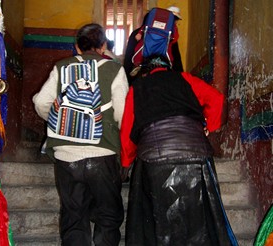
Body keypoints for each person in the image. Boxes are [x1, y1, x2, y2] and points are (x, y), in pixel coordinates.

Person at [120, 55, 238, 245]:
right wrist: (209, 126)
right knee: (198, 218)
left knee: (161, 219)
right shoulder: (185, 78)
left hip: (155, 156)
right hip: (196, 152)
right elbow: (216, 99)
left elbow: (128, 131)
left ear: (146, 71)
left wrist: (125, 164)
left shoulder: (138, 88)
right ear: (168, 67)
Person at [33, 23, 129, 246]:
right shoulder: (114, 69)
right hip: (103, 153)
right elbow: (122, 113)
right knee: (107, 215)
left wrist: (62, 122)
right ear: (103, 46)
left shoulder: (61, 67)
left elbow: (40, 102)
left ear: (77, 47)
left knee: (74, 216)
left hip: (66, 156)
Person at [123, 6, 184, 85]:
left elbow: (128, 59)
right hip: (165, 78)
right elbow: (177, 62)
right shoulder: (170, 36)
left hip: (140, 77)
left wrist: (128, 81)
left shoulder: (137, 34)